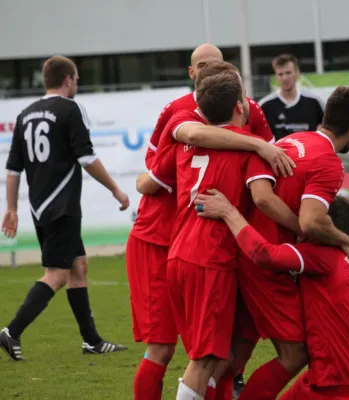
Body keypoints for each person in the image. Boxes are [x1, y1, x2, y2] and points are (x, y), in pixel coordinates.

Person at [128, 62, 292, 400]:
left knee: (217, 356)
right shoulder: (249, 146)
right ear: (240, 105)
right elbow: (263, 198)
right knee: (205, 360)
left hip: (179, 255)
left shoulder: (183, 144)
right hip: (210, 259)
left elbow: (148, 181)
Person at [226, 86, 349, 400]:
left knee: (230, 355)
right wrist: (340, 238)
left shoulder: (289, 142)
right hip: (266, 260)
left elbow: (262, 196)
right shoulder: (329, 162)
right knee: (295, 355)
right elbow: (311, 221)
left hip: (238, 250)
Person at [0, 56, 130, 361]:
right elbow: (86, 158)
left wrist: (11, 208)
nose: (77, 84)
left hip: (39, 205)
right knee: (57, 274)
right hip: (63, 204)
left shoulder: (25, 114)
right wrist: (115, 189)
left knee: (78, 266)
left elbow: (13, 170)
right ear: (68, 79)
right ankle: (12, 331)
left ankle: (91, 341)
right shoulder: (70, 109)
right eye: (77, 79)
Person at [196, 191, 349, 400]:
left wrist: (229, 212)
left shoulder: (321, 255)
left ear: (321, 223)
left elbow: (264, 255)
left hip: (337, 389)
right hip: (331, 380)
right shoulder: (337, 257)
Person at [146, 44, 274, 169]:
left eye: (215, 64)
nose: (209, 71)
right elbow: (152, 158)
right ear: (191, 72)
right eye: (202, 66)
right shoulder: (175, 109)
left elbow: (272, 153)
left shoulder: (249, 106)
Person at [259, 53, 325, 141]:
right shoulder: (265, 105)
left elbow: (327, 128)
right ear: (276, 77)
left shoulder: (314, 101)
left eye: (288, 73)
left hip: (310, 153)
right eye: (280, 74)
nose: (284, 78)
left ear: (297, 73)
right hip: (279, 153)